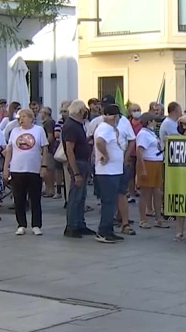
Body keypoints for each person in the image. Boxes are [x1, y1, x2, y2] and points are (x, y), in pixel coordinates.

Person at [2, 108, 48, 235]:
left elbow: (44, 149)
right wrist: (6, 168)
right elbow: (9, 150)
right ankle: (21, 224)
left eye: (24, 117)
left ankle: (36, 224)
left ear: (31, 118)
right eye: (19, 117)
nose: (21, 120)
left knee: (35, 198)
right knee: (19, 198)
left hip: (34, 169)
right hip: (17, 169)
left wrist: (44, 165)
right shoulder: (14, 131)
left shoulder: (39, 130)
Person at [62, 100, 95, 238]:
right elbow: (70, 150)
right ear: (80, 111)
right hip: (78, 163)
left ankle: (79, 223)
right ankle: (72, 226)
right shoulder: (71, 126)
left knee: (81, 196)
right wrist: (76, 172)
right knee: (75, 196)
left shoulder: (77, 125)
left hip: (83, 162)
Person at [93, 104, 126, 243]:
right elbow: (100, 141)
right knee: (108, 202)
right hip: (108, 172)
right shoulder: (105, 128)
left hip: (114, 171)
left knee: (111, 202)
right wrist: (105, 155)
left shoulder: (109, 128)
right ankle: (104, 231)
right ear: (115, 117)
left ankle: (108, 230)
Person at [135, 113, 168, 231]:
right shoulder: (143, 134)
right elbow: (139, 152)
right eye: (154, 121)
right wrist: (142, 169)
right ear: (149, 122)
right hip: (148, 162)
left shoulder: (151, 133)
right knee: (145, 193)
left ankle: (158, 218)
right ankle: (142, 219)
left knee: (157, 192)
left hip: (156, 162)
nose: (155, 123)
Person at [39, 106, 58, 198]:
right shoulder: (49, 122)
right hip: (50, 149)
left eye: (41, 112)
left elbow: (50, 137)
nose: (40, 114)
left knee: (49, 170)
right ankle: (47, 189)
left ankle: (50, 190)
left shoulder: (48, 123)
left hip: (49, 150)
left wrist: (43, 146)